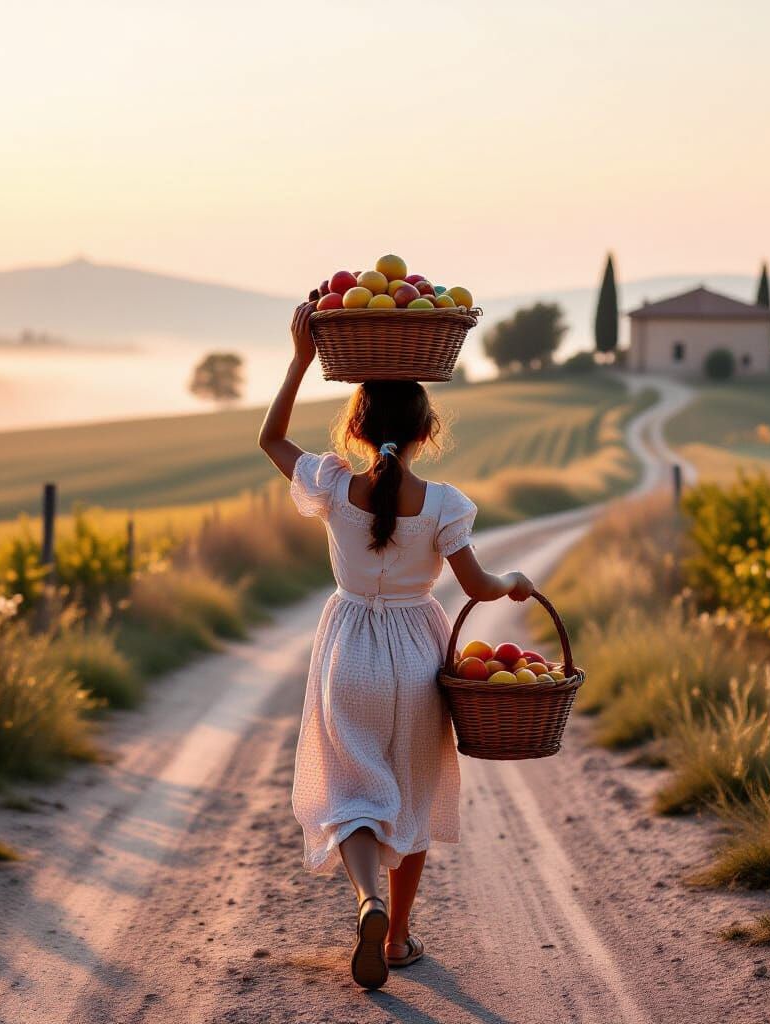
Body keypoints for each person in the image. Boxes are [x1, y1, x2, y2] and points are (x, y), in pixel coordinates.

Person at [258, 301, 534, 990]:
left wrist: (298, 359)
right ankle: (401, 936)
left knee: (352, 792)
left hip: (348, 649)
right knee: (410, 796)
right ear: (426, 432)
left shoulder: (330, 483)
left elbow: (270, 439)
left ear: (354, 428)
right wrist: (516, 581)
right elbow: (478, 583)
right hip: (416, 654)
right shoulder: (444, 504)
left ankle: (366, 901)